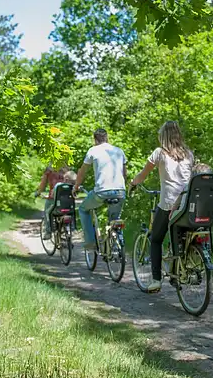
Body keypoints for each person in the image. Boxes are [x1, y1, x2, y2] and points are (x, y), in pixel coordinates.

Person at [131, 121, 194, 293]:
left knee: (156, 239)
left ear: (163, 137)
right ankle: (179, 267)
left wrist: (133, 183)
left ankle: (156, 280)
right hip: (187, 203)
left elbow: (143, 175)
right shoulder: (188, 153)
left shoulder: (160, 153)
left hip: (169, 203)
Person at [72, 129, 127, 250]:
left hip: (102, 192)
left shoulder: (93, 150)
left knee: (83, 209)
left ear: (95, 140)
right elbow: (124, 174)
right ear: (107, 138)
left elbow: (82, 171)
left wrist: (76, 186)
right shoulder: (119, 150)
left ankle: (90, 241)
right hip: (120, 191)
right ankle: (118, 246)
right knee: (115, 219)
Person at [34, 164, 67, 239]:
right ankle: (67, 230)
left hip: (53, 197)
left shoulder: (49, 170)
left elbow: (43, 185)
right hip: (66, 197)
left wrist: (38, 192)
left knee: (47, 212)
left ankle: (48, 232)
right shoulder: (66, 167)